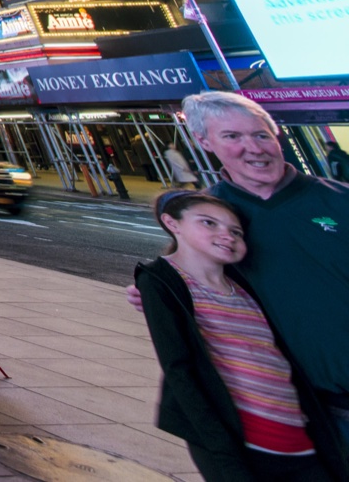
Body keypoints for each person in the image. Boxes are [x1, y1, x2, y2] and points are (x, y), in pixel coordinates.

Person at [130, 91, 349, 454]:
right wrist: (155, 293)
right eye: (232, 137)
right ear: (204, 141)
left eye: (261, 134)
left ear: (276, 133)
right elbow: (187, 280)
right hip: (310, 415)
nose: (254, 148)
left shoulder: (338, 200)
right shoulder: (212, 220)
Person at [137, 191, 345, 482]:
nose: (227, 235)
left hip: (297, 437)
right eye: (208, 223)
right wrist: (220, 449)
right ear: (172, 223)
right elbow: (179, 370)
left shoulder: (245, 284)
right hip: (240, 440)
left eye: (236, 231)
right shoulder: (162, 280)